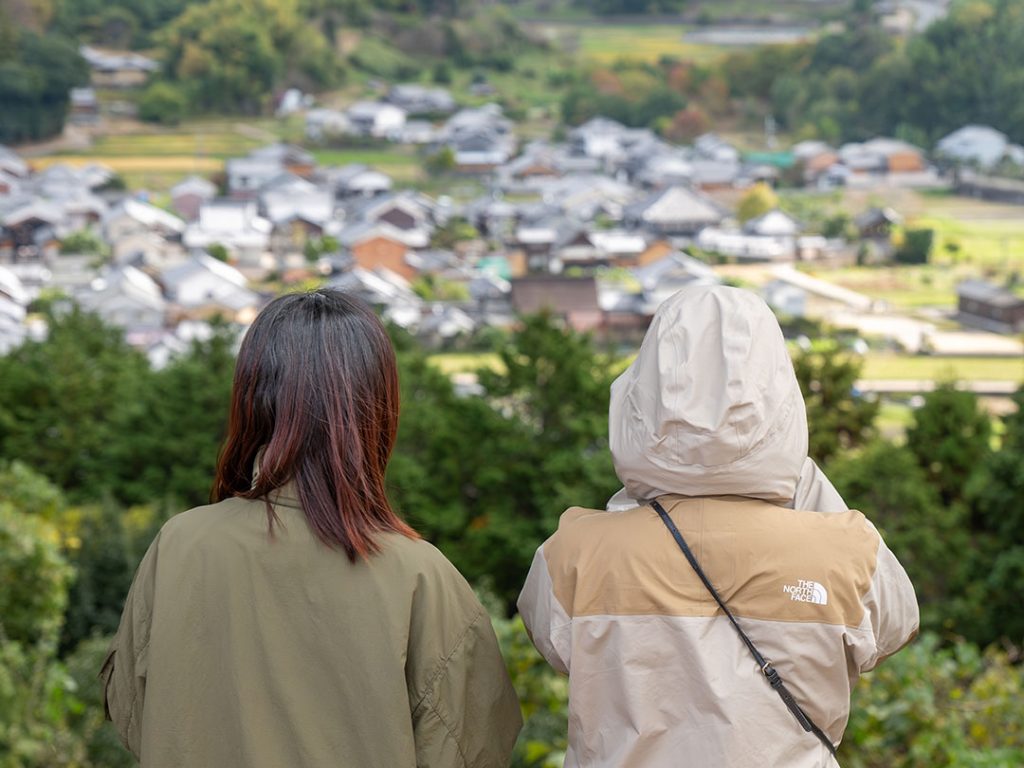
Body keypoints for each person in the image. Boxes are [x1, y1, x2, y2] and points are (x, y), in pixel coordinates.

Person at [101, 289, 522, 767]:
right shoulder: (421, 576)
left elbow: (133, 715)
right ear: (376, 409)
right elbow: (472, 748)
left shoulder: (179, 545)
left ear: (251, 398)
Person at [518, 284, 918, 768]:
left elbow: (551, 640)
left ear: (639, 388)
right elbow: (895, 627)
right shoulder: (849, 551)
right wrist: (792, 464)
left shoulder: (573, 553)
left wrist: (650, 476)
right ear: (781, 394)